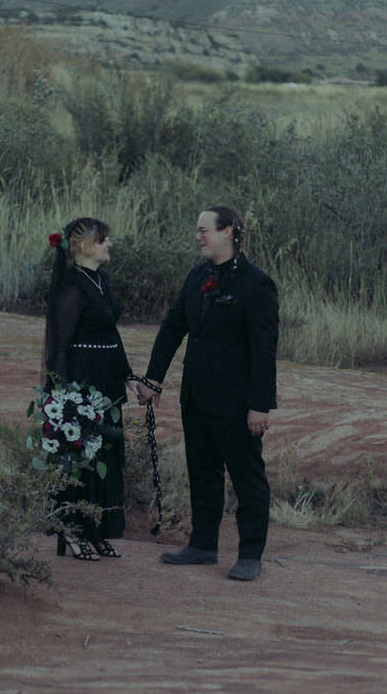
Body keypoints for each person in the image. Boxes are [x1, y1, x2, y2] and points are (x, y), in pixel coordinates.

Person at [137, 205, 278, 581]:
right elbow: (172, 327)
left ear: (229, 231)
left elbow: (264, 353)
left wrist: (259, 407)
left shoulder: (257, 284)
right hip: (197, 397)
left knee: (247, 478)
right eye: (197, 230)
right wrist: (153, 380)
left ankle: (250, 555)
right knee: (202, 472)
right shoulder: (198, 275)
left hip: (238, 403)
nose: (198, 237)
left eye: (205, 230)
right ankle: (202, 546)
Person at [44, 217, 133, 561]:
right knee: (81, 456)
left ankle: (95, 530)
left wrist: (128, 375)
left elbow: (111, 333)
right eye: (102, 240)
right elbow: (60, 347)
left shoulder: (101, 280)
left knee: (105, 456)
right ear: (81, 247)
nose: (108, 245)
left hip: (106, 381)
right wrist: (65, 396)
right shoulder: (72, 287)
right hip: (82, 381)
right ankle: (72, 528)